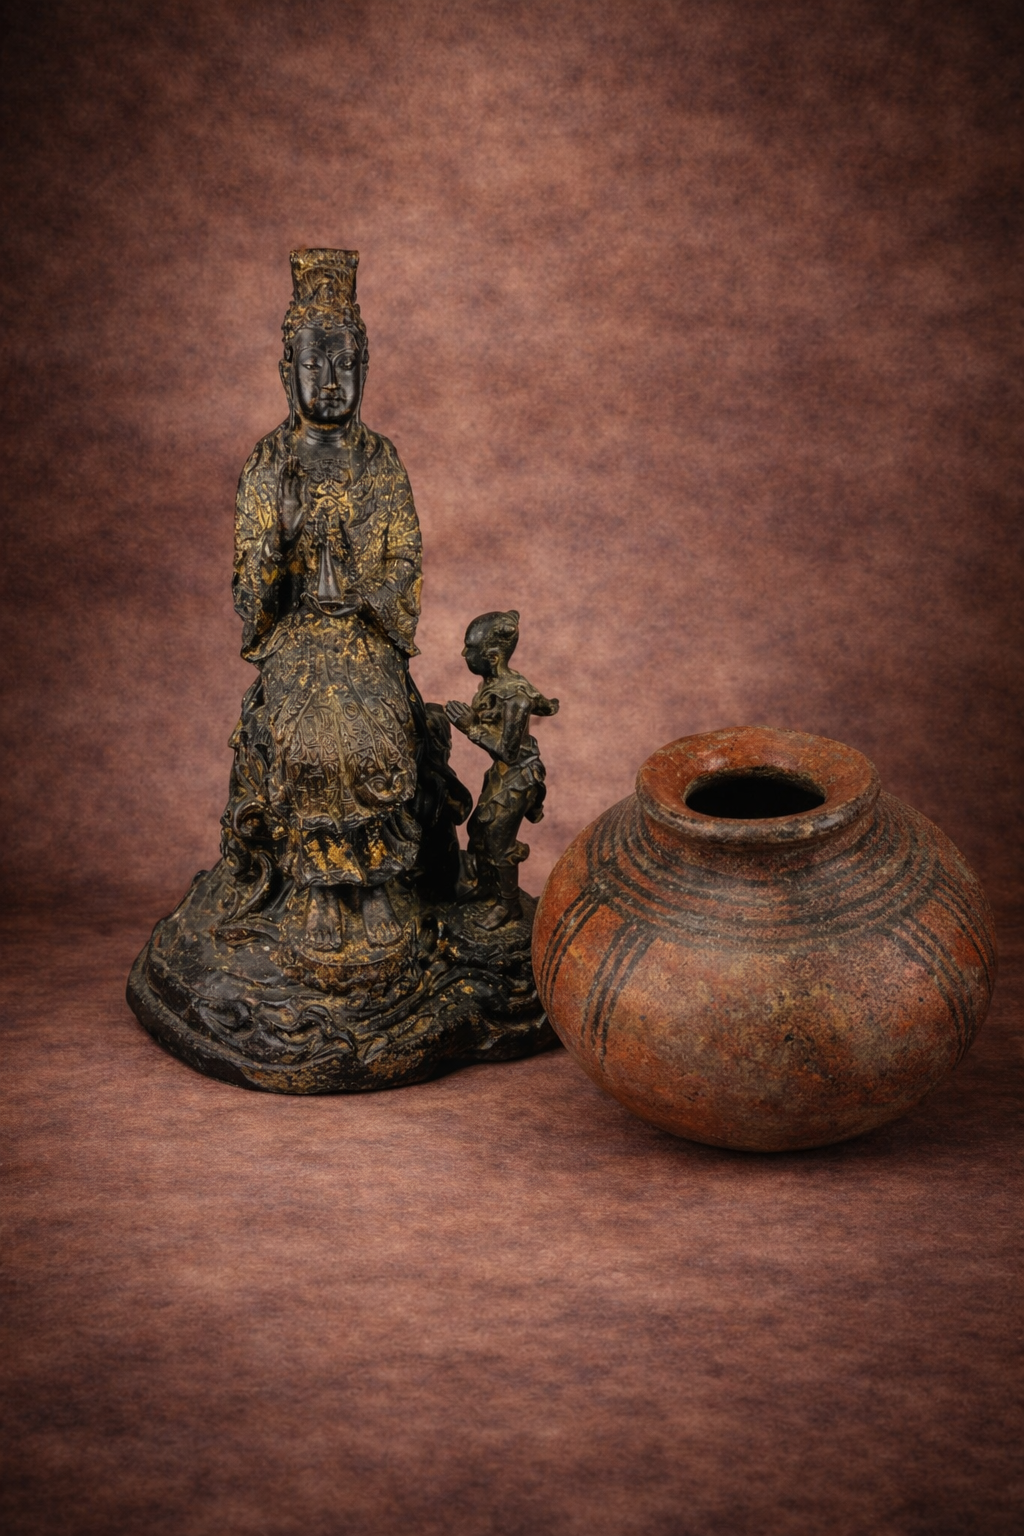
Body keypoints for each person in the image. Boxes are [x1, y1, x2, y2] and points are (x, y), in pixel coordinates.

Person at [222, 249, 422, 953]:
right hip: (299, 636)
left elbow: (405, 560)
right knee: (309, 737)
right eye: (317, 364)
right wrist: (279, 550)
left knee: (379, 727)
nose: (332, 381)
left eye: (346, 365)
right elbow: (251, 586)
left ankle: (377, 883)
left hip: (364, 630)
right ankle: (319, 887)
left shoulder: (381, 460)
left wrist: (365, 595)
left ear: (364, 369)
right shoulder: (269, 464)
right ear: (288, 372)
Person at [445, 611, 559, 930]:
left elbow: (509, 750)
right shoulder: (492, 684)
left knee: (497, 840)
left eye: (470, 649)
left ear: (492, 657)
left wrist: (471, 727)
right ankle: (486, 887)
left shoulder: (515, 698)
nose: (463, 654)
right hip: (502, 774)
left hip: (519, 775)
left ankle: (509, 906)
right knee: (479, 834)